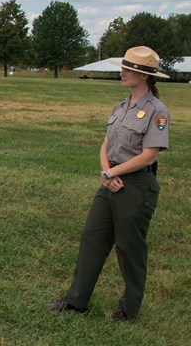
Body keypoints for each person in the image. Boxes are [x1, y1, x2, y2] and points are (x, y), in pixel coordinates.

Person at [44, 46, 170, 321]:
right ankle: (75, 301)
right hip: (110, 181)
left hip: (136, 186)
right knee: (92, 238)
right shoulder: (121, 106)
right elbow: (106, 144)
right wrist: (106, 172)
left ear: (145, 76)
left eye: (129, 69)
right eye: (123, 67)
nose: (122, 72)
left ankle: (129, 309)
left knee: (129, 248)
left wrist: (114, 174)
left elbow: (149, 156)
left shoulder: (157, 112)